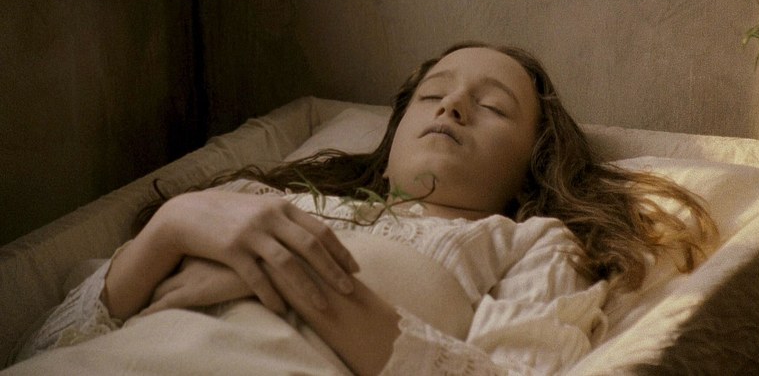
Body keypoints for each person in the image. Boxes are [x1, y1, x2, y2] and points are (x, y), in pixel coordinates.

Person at [14, 42, 716, 374]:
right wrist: (173, 226)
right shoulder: (255, 199)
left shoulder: (527, 242)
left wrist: (301, 278)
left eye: (493, 106)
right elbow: (48, 347)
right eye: (433, 93)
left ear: (532, 160)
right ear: (392, 136)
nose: (452, 104)